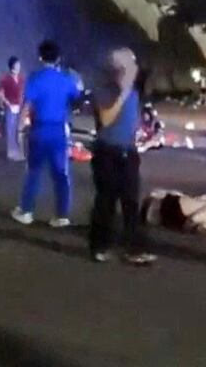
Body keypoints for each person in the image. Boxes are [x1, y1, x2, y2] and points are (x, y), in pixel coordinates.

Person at [89, 48, 156, 265]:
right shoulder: (104, 90)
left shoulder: (135, 92)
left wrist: (142, 135)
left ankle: (134, 249)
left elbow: (133, 120)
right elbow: (106, 119)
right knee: (105, 202)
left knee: (131, 203)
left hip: (128, 153)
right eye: (129, 68)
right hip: (107, 153)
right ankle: (100, 247)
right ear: (117, 70)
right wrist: (123, 94)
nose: (133, 72)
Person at [11, 41, 81, 228]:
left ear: (40, 57)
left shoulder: (35, 78)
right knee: (61, 174)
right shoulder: (67, 79)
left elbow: (27, 106)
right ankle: (61, 215)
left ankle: (26, 211)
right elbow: (76, 99)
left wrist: (18, 129)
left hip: (39, 129)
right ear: (58, 58)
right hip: (58, 130)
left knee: (34, 171)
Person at [0, 57, 25, 162]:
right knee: (10, 129)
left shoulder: (21, 78)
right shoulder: (6, 78)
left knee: (18, 130)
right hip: (10, 107)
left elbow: (23, 92)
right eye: (17, 64)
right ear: (13, 66)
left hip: (20, 106)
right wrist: (6, 102)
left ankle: (19, 151)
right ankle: (11, 152)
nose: (19, 66)